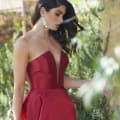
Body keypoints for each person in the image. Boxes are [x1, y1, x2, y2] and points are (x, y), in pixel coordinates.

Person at [12, 0, 90, 120]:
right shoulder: (24, 43)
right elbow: (19, 87)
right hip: (39, 107)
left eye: (63, 16)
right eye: (57, 14)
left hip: (64, 107)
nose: (60, 20)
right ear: (43, 11)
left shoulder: (57, 42)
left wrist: (92, 84)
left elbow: (57, 81)